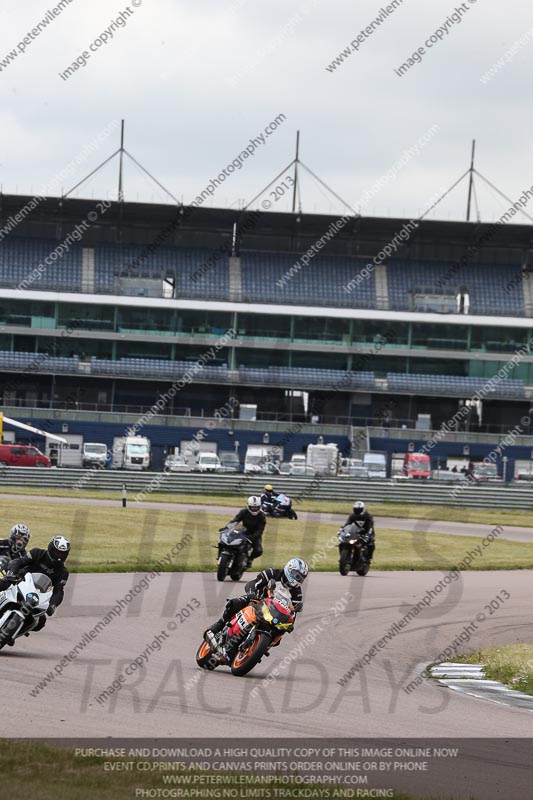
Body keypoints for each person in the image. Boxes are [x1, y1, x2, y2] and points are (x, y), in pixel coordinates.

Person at [204, 558, 309, 655]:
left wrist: (290, 624)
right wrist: (251, 594)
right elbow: (253, 583)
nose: (298, 580)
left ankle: (258, 650)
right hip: (257, 602)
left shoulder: (297, 594)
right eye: (297, 575)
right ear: (289, 569)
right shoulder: (272, 573)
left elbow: (293, 612)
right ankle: (219, 625)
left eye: (301, 578)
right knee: (235, 603)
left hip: (274, 615)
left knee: (279, 635)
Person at [0, 536, 70, 631]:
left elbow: (59, 591)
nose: (59, 556)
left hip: (37, 596)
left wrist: (52, 605)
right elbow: (18, 562)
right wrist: (11, 574)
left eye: (62, 554)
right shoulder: (37, 553)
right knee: (3, 583)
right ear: (50, 549)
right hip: (20, 582)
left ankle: (14, 632)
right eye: (57, 552)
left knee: (40, 622)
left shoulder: (63, 572)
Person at [224, 496, 266, 566]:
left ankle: (249, 559)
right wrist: (227, 528)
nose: (254, 509)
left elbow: (260, 530)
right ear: (248, 506)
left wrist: (251, 537)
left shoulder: (262, 516)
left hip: (255, 535)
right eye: (252, 507)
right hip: (243, 531)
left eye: (256, 507)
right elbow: (235, 520)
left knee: (258, 551)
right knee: (228, 542)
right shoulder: (243, 512)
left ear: (259, 507)